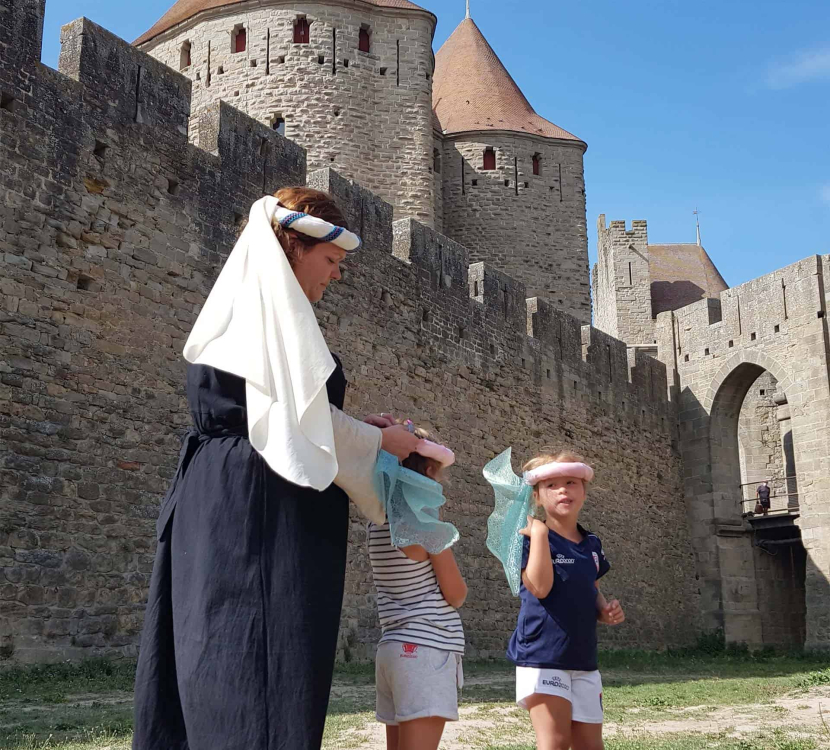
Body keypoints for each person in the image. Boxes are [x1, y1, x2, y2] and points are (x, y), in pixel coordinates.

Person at [132, 187, 421, 750]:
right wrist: (379, 440)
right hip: (260, 508)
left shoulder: (251, 315)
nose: (336, 276)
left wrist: (358, 426)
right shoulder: (267, 321)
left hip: (224, 496)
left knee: (214, 648)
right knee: (256, 657)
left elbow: (288, 416)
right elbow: (286, 426)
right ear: (292, 247)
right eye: (331, 261)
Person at [486, 448, 624, 750]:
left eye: (571, 482)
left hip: (584, 659)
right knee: (555, 744)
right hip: (542, 657)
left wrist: (605, 609)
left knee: (592, 745)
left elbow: (591, 587)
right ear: (536, 496)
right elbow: (540, 587)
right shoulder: (526, 536)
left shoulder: (592, 543)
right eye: (551, 485)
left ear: (584, 490)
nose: (563, 489)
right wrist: (538, 536)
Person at [368, 423, 467, 750]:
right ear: (427, 473)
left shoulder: (377, 524)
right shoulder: (429, 531)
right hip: (426, 650)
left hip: (392, 649)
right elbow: (456, 594)